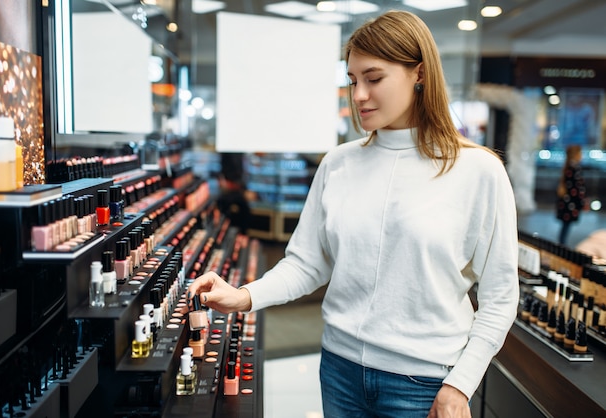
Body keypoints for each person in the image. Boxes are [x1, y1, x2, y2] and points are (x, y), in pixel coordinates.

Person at [189, 10, 519, 418]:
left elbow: (501, 296)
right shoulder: (338, 164)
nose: (358, 95)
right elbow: (308, 264)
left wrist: (459, 385)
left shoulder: (477, 171)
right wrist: (243, 296)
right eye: (352, 80)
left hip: (425, 386)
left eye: (374, 78)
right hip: (339, 370)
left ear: (419, 74)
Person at [556, 144, 586, 246]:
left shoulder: (569, 168)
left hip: (568, 204)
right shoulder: (573, 169)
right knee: (566, 226)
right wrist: (580, 203)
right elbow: (576, 188)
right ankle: (562, 246)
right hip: (570, 205)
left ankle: (562, 244)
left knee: (565, 226)